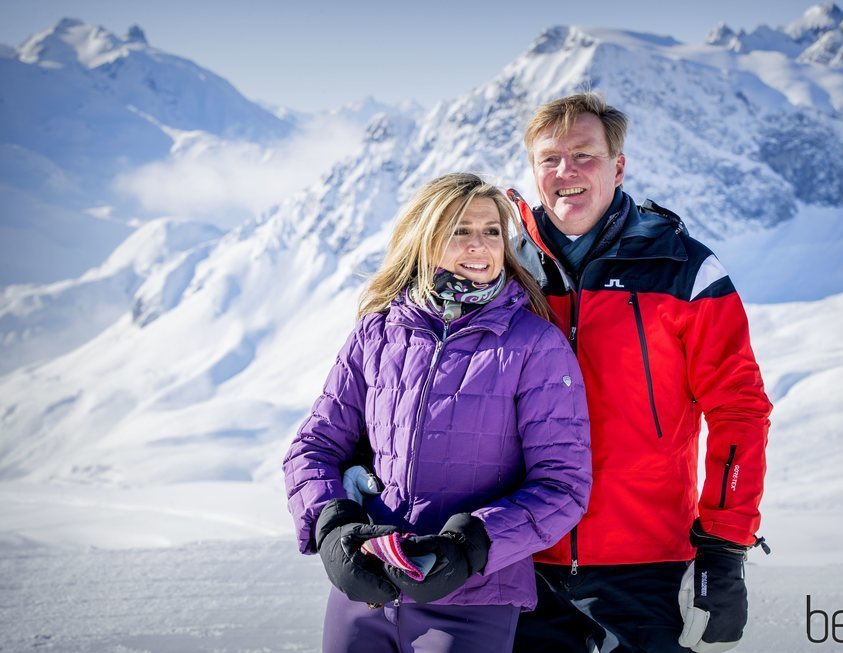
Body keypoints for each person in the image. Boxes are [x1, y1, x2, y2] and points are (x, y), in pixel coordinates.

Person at [282, 172, 592, 653]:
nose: (480, 245)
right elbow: (314, 447)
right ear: (424, 239)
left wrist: (470, 548)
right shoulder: (378, 334)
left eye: (492, 231)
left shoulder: (534, 346)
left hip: (473, 599)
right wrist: (332, 527)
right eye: (460, 230)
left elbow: (563, 485)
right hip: (366, 592)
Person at [508, 93, 772, 653]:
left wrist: (724, 546)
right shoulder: (503, 272)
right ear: (533, 171)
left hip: (647, 567)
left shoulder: (684, 267)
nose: (566, 172)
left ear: (618, 165)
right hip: (521, 561)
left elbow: (739, 409)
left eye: (584, 155)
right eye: (550, 159)